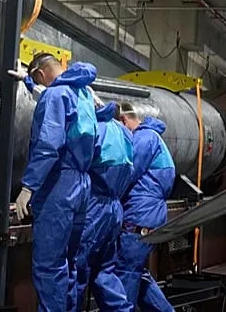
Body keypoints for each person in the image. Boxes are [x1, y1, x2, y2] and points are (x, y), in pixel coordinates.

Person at [11, 52, 98, 312]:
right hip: (82, 186)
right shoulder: (82, 93)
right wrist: (29, 85)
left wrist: (28, 187)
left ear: (39, 73)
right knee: (69, 265)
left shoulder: (55, 95)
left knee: (49, 266)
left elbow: (49, 144)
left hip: (58, 185)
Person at [74, 98, 134, 312]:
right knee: (105, 271)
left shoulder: (93, 128)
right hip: (114, 210)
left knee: (77, 270)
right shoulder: (124, 132)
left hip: (93, 209)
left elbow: (75, 167)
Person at [116, 102, 176, 311]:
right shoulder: (152, 137)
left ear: (123, 121)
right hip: (148, 215)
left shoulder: (143, 139)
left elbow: (126, 174)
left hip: (139, 216)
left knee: (127, 273)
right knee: (137, 274)